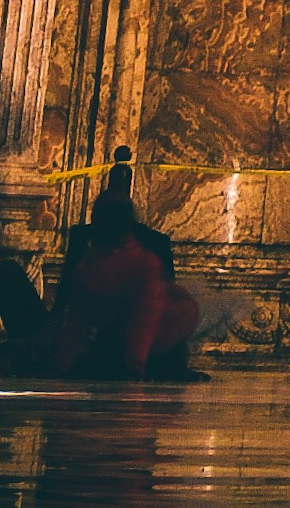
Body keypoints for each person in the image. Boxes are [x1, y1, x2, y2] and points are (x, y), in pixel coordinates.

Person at [45, 155, 204, 380]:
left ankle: (168, 369)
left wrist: (135, 365)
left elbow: (146, 319)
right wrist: (59, 365)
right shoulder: (100, 265)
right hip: (134, 338)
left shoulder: (133, 264)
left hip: (161, 337)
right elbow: (78, 320)